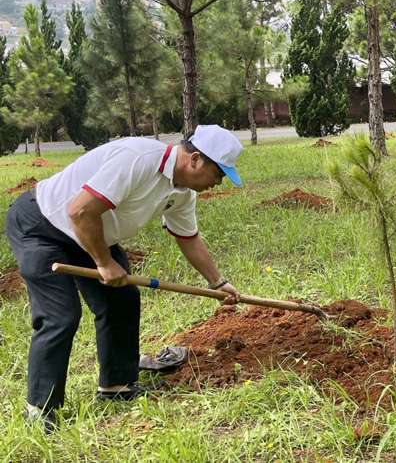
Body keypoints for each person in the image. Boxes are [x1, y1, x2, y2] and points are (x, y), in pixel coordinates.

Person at [5, 125, 244, 430]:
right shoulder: (138, 158)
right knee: (60, 316)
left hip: (89, 231)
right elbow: (79, 211)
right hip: (43, 224)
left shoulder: (182, 191)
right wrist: (104, 262)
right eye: (218, 174)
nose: (217, 182)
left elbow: (189, 238)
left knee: (122, 300)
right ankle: (39, 409)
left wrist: (218, 283)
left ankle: (116, 387)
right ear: (196, 159)